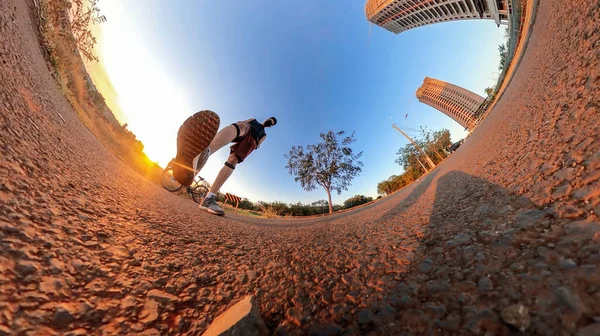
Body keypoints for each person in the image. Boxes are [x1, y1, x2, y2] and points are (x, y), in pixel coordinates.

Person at [172, 110, 277, 215]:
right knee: (241, 125)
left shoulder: (264, 135)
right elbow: (243, 121)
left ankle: (208, 199)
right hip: (246, 128)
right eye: (270, 120)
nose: (270, 122)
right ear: (267, 119)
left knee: (233, 160)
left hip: (252, 140)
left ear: (270, 126)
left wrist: (253, 145)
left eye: (271, 123)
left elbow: (258, 145)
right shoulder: (253, 120)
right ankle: (204, 152)